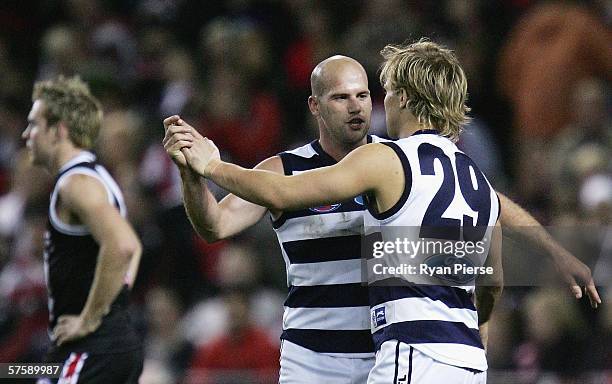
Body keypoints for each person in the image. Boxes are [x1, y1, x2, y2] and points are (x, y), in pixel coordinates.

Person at [163, 51, 600, 383]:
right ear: (315, 106)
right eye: (341, 98)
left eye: (365, 95)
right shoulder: (287, 168)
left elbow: (496, 206)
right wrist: (192, 176)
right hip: (315, 359)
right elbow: (215, 226)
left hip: (391, 352)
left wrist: (215, 166)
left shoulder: (389, 161)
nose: (357, 107)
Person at [23, 76, 143, 383]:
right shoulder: (98, 176)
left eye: (34, 124)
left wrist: (90, 320)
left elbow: (123, 246)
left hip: (91, 347)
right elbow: (133, 246)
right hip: (92, 346)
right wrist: (115, 297)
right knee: (17, 373)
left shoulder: (75, 184)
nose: (27, 135)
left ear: (59, 130)